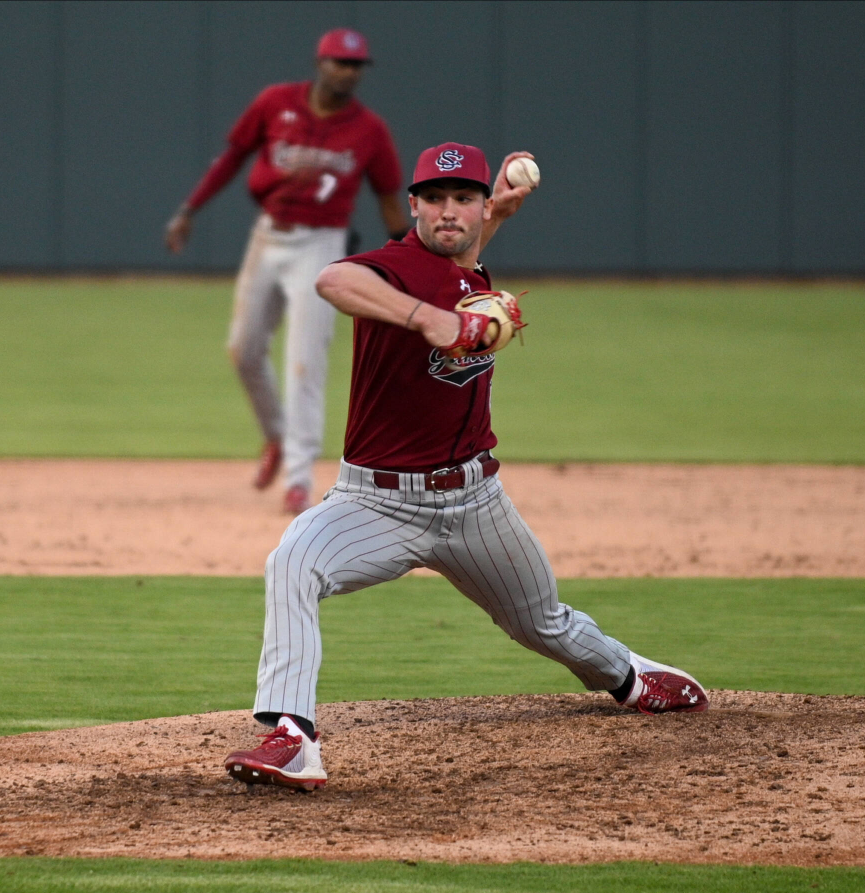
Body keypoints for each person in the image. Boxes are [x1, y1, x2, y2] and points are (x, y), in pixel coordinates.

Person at [223, 143, 709, 792]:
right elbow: (332, 281)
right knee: (292, 562)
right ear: (414, 206)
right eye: (435, 199)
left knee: (541, 621)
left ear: (481, 208)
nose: (448, 212)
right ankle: (293, 736)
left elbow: (462, 258)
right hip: (376, 504)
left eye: (464, 199)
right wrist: (427, 320)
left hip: (477, 503)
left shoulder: (470, 271)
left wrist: (497, 213)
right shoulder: (396, 266)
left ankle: (627, 675)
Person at [165, 28, 410, 515]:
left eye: (357, 65)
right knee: (243, 350)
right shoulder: (275, 102)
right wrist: (189, 209)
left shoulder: (369, 130)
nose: (349, 72)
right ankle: (276, 435)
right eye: (341, 62)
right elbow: (233, 157)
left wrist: (408, 261)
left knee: (305, 364)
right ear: (320, 63)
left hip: (322, 244)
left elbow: (389, 201)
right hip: (268, 236)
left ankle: (298, 479)